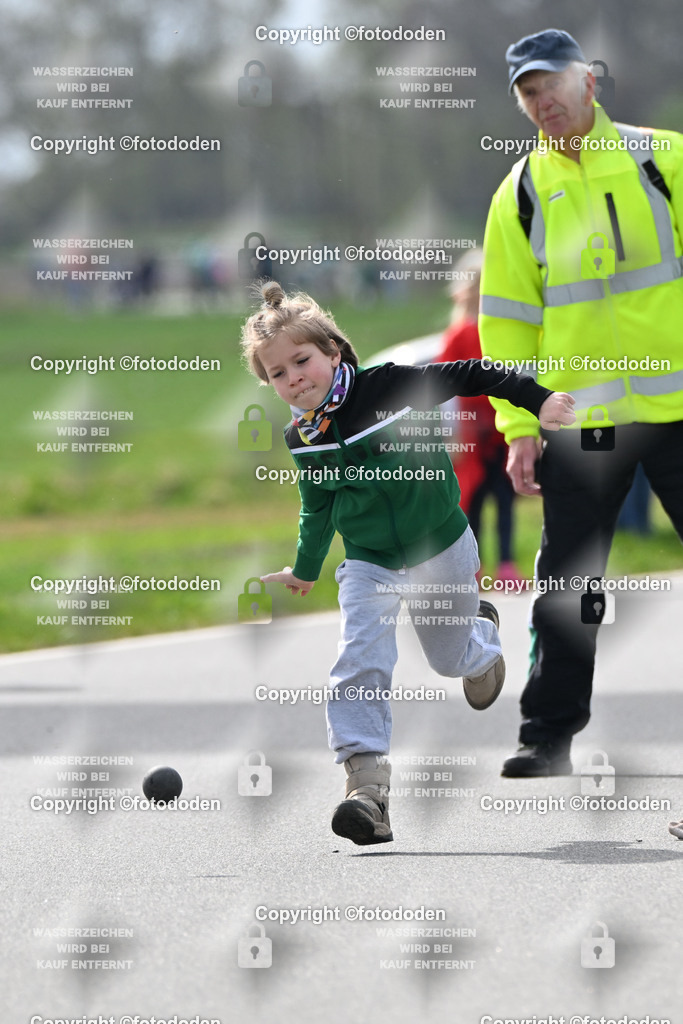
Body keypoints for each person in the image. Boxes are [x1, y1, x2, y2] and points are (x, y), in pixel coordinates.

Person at [241, 281, 575, 844]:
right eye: (277, 374)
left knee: (448, 660)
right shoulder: (302, 436)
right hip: (369, 562)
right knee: (359, 656)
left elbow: (472, 372)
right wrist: (305, 566)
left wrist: (536, 399)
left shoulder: (390, 387)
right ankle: (366, 789)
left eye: (302, 360)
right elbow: (318, 504)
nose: (293, 378)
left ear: (333, 352)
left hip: (440, 545)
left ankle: (479, 643)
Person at [479, 29, 683, 777]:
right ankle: (546, 735)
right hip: (580, 420)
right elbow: (506, 319)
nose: (542, 102)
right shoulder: (520, 192)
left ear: (588, 82)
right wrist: (517, 424)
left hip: (677, 409)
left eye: (551, 84)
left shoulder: (662, 158)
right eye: (527, 93)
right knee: (567, 585)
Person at [437, 250, 523, 584]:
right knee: (471, 502)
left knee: (504, 500)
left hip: (501, 434)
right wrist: (452, 434)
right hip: (471, 437)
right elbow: (444, 391)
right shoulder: (459, 335)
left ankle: (506, 565)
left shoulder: (501, 330)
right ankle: (472, 567)